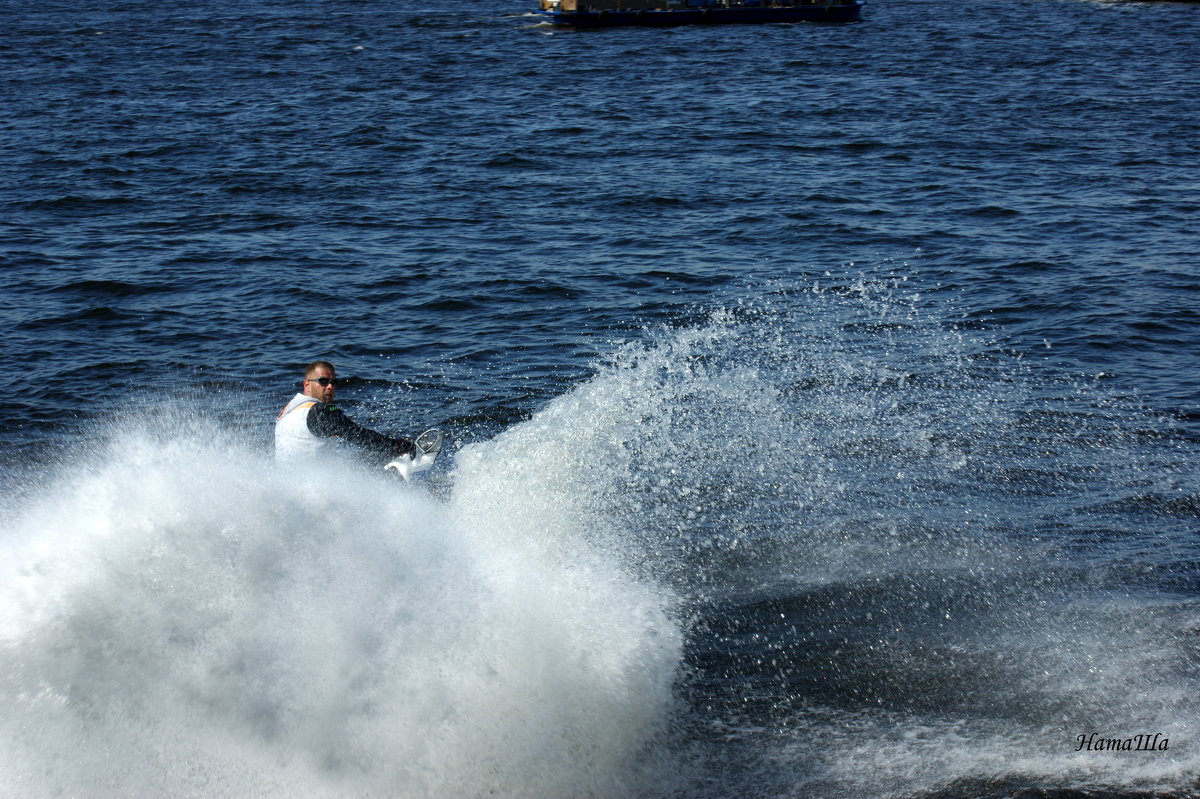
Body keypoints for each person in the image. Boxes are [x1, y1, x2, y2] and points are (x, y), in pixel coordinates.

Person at [275, 360, 415, 465]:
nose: (330, 387)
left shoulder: (286, 412)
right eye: (323, 381)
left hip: (290, 486)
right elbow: (358, 435)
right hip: (317, 490)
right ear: (306, 384)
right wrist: (395, 446)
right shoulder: (321, 411)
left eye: (333, 382)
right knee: (382, 451)